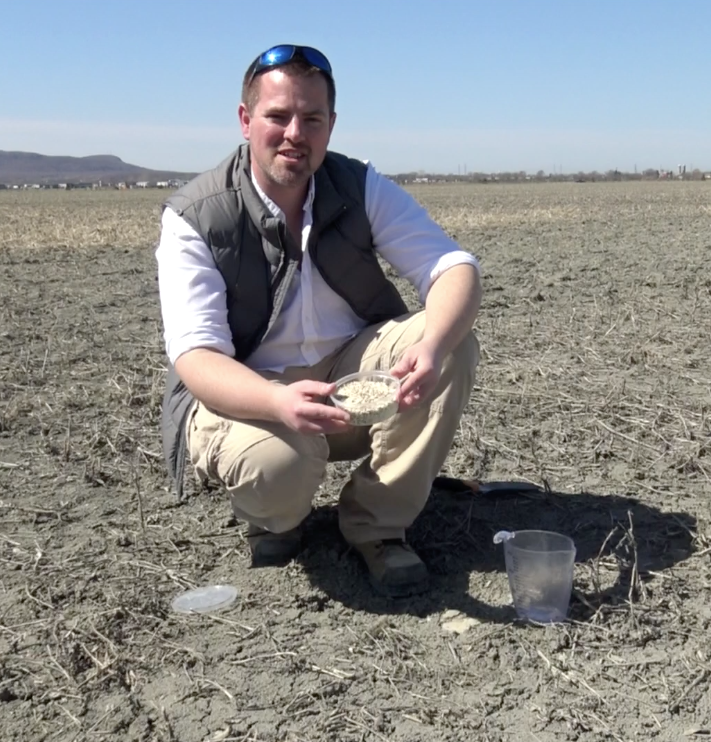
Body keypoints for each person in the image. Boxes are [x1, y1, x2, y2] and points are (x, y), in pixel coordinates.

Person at [155, 44, 482, 597]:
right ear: (245, 119)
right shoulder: (196, 216)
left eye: (311, 118)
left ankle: (379, 526)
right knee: (277, 466)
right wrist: (278, 402)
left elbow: (454, 268)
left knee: (450, 342)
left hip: (348, 382)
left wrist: (429, 349)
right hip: (249, 395)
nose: (294, 133)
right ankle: (273, 519)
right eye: (277, 116)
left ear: (331, 124)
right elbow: (197, 358)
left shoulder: (359, 186)